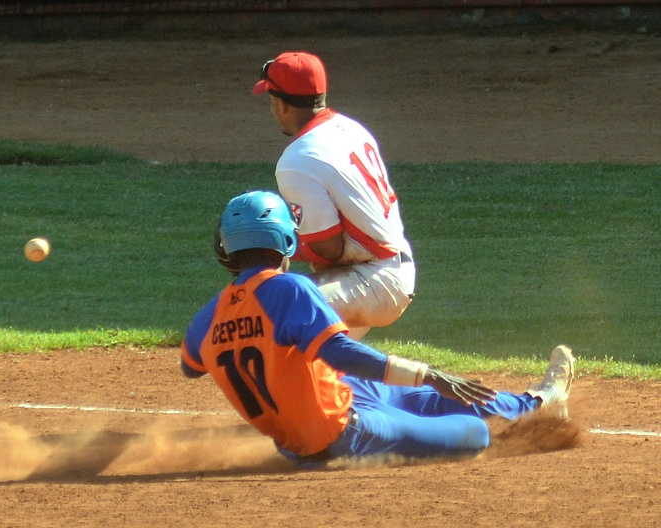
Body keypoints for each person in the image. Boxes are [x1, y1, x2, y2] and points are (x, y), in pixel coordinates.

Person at [182, 190, 575, 465]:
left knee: (425, 395)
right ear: (287, 239)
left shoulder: (208, 316)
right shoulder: (288, 288)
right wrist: (428, 372)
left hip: (326, 414)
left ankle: (540, 401)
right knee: (474, 431)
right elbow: (339, 351)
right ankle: (534, 408)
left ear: (227, 247)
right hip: (346, 435)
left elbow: (190, 366)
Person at [252, 51, 415, 340]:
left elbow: (329, 248)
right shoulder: (351, 128)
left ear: (280, 103)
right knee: (333, 370)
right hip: (386, 270)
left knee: (267, 315)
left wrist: (276, 247)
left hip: (370, 280)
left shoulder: (298, 160)